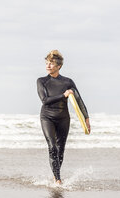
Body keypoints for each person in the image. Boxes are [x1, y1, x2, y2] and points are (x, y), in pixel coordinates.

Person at [37, 50, 90, 184]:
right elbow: (45, 100)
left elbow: (79, 100)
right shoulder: (42, 81)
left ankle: (56, 175)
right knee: (52, 147)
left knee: (61, 150)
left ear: (59, 66)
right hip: (47, 117)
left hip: (63, 118)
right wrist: (63, 95)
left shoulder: (68, 82)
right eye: (47, 63)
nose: (48, 66)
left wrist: (86, 118)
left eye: (51, 63)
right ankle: (58, 179)